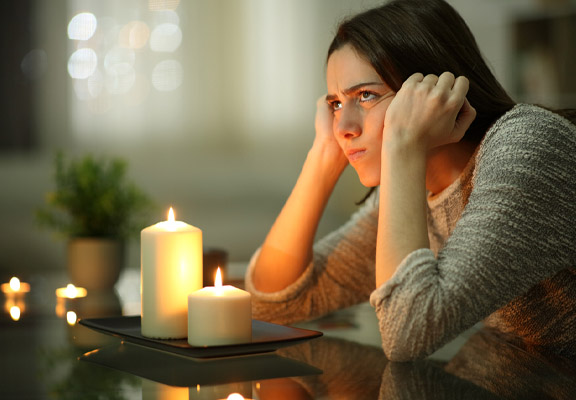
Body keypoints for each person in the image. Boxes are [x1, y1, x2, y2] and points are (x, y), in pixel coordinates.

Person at [244, 0, 576, 361]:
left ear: (432, 92)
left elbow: (408, 334)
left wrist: (402, 145)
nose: (343, 127)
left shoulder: (528, 145)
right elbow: (273, 304)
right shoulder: (411, 187)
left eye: (365, 95)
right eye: (336, 104)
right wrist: (323, 156)